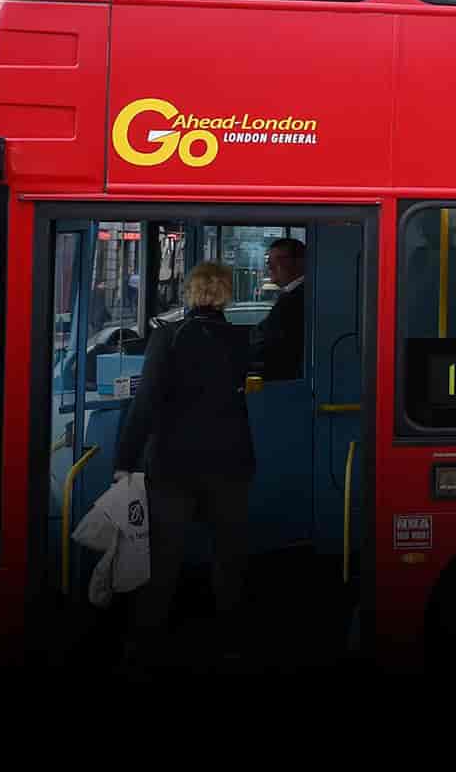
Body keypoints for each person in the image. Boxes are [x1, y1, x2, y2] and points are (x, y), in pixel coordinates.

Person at [114, 262, 258, 671]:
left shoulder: (168, 336)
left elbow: (146, 405)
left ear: (191, 292)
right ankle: (233, 644)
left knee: (164, 558)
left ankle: (142, 646)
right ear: (227, 293)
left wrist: (125, 460)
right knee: (230, 559)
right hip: (231, 460)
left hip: (173, 462)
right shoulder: (241, 338)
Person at [250, 237, 307, 380]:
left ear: (299, 261)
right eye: (268, 261)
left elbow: (272, 340)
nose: (270, 267)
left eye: (279, 260)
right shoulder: (291, 294)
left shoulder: (298, 297)